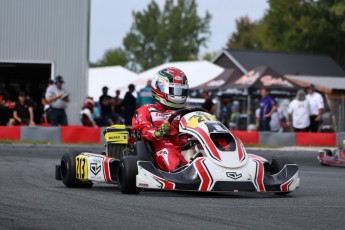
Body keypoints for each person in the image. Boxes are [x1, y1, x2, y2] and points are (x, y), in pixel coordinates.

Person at [132, 67, 189, 172]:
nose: (178, 95)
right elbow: (144, 130)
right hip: (159, 151)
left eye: (181, 91)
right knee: (168, 151)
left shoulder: (187, 112)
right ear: (159, 89)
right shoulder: (146, 110)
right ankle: (182, 171)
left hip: (185, 147)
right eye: (174, 90)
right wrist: (159, 132)